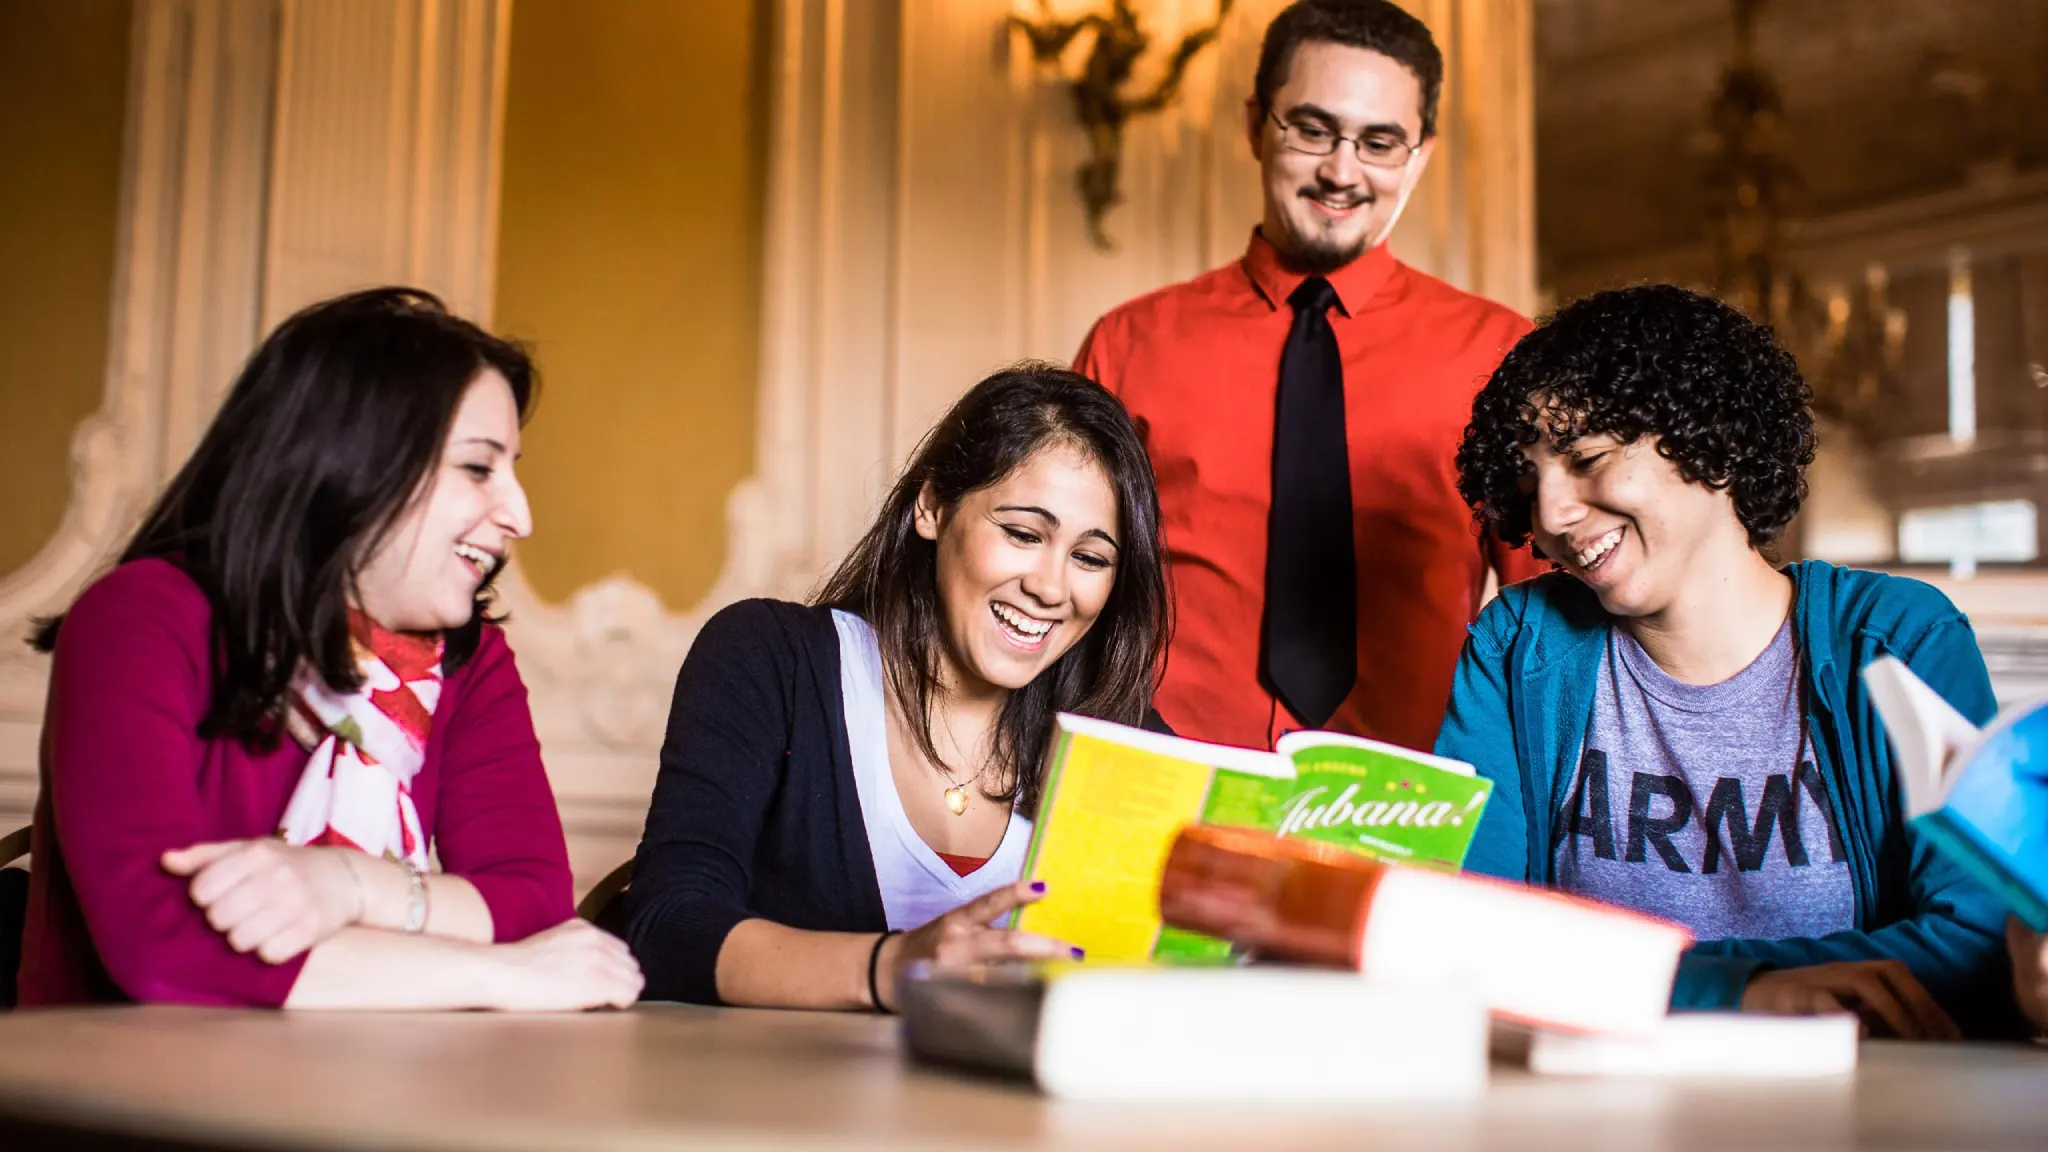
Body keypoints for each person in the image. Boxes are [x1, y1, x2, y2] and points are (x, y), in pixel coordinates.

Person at [22, 287, 643, 1011]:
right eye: (479, 468)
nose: (520, 516)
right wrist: (506, 975)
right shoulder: (140, 618)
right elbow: (167, 952)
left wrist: (348, 886)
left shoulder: (470, 663)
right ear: (350, 465)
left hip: (366, 1092)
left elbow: (532, 903)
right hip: (121, 1104)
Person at [1438, 283, 2020, 1038]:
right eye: (1529, 480)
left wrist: (1630, 981)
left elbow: (1980, 947)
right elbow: (1464, 939)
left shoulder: (1898, 640)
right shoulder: (1517, 647)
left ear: (1705, 440)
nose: (1550, 516)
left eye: (1586, 459)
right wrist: (1737, 991)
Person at [1074, 0, 1544, 753]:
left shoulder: (1502, 356)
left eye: (1380, 141)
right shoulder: (1128, 345)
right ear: (1256, 124)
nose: (1341, 171)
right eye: (1313, 129)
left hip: (1408, 797)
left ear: (1419, 154)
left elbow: (1548, 617)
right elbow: (1065, 576)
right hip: (1162, 772)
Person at [625, 364, 1169, 1010]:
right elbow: (664, 928)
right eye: (1023, 535)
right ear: (932, 507)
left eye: (1090, 558)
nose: (1052, 588)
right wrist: (890, 967)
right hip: (782, 1108)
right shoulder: (771, 661)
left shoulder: (1128, 741)